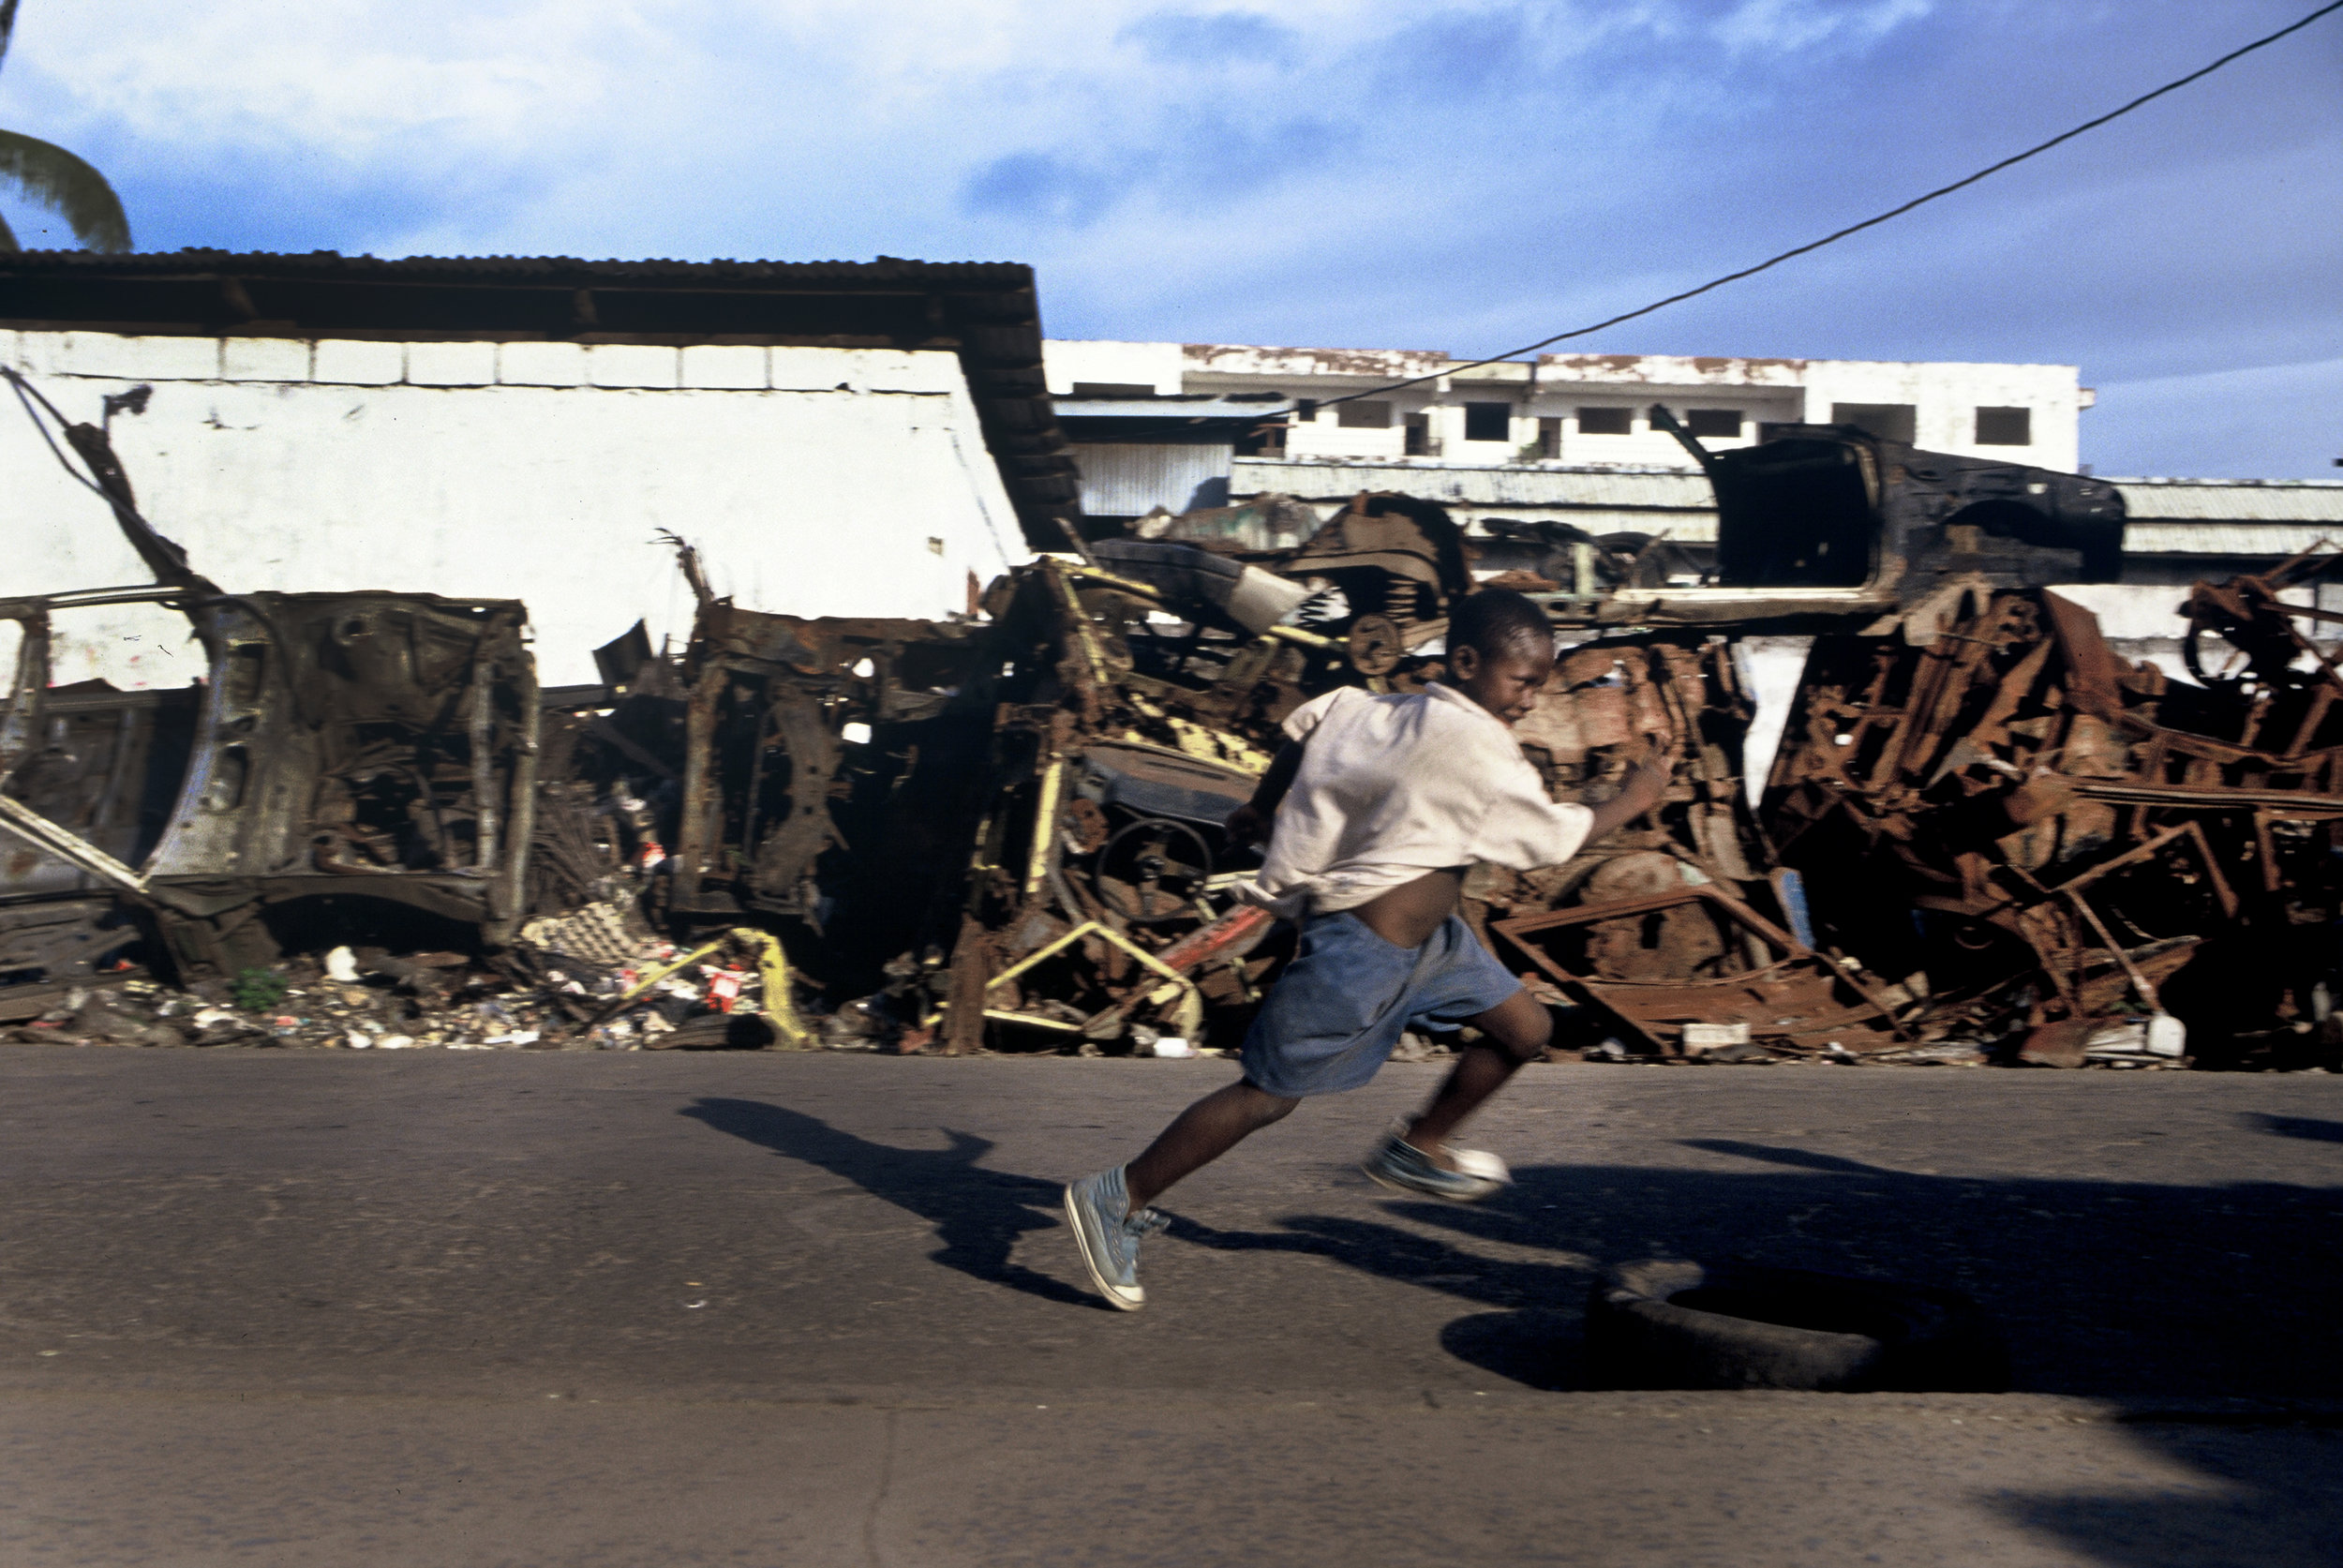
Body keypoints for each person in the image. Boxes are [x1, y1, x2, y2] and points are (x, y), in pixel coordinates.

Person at [1063, 587, 1671, 1310]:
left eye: (1540, 681)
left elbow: (1309, 729)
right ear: (1467, 662)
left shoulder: (1380, 708)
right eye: (1523, 680)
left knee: (1525, 1028)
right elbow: (1553, 840)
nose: (1531, 699)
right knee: (1266, 1097)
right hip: (1357, 951)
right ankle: (1117, 1194)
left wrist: (1263, 803)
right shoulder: (1479, 747)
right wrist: (1634, 795)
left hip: (1434, 945)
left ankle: (1418, 1144)